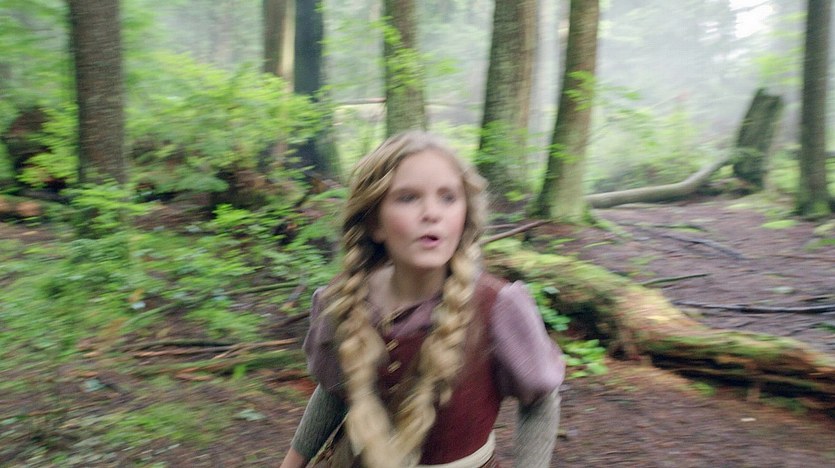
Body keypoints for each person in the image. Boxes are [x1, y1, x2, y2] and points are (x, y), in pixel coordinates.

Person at [280, 131, 565, 468]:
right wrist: (293, 462)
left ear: (465, 217)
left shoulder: (498, 307)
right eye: (408, 198)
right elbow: (334, 391)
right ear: (375, 223)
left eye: (448, 198)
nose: (432, 213)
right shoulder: (344, 300)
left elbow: (540, 401)